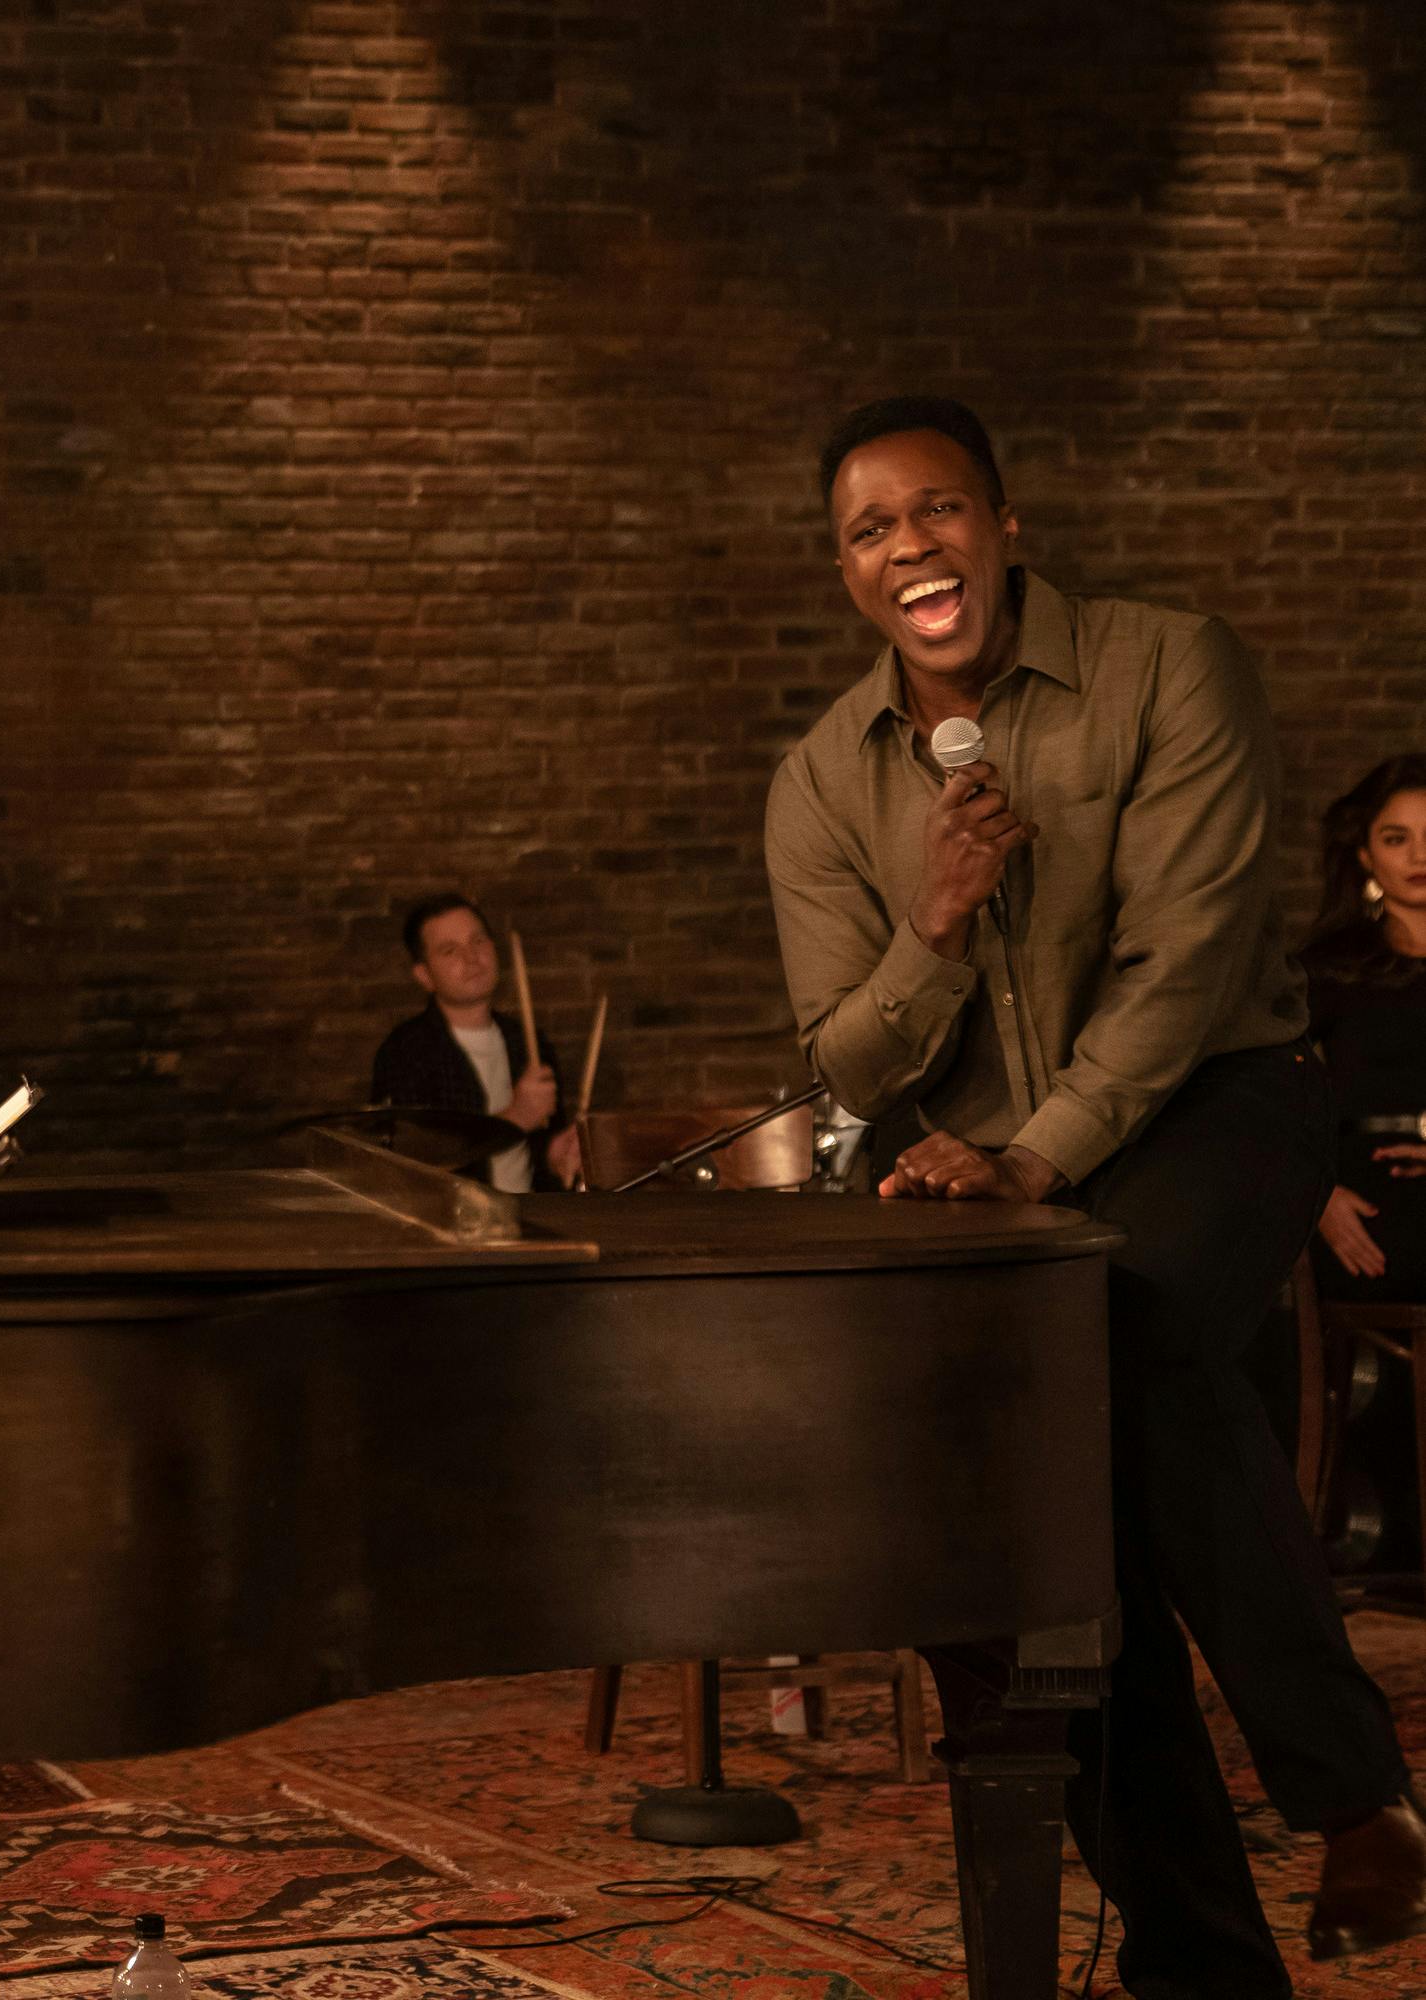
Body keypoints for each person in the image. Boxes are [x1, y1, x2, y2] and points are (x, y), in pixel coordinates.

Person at [764, 396, 1420, 1995]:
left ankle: (1350, 1796)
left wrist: (1040, 1153)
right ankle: (1203, 1959)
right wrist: (928, 925)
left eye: (934, 511)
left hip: (1217, 1104)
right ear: (844, 573)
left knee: (1112, 1322)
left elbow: (1184, 963)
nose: (906, 545)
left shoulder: (1166, 663)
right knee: (1018, 1537)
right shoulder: (818, 781)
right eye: (868, 529)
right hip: (994, 1169)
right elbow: (843, 1065)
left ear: (1001, 526)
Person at [1305, 755, 1426, 1301]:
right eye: (1397, 838)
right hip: (1362, 1190)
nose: (1420, 855)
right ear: (1365, 854)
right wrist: (1317, 1196)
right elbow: (1267, 1098)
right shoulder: (1327, 968)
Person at [369, 894, 582, 1190]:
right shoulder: (405, 1052)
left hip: (531, 1219)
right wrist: (513, 1119)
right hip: (454, 1226)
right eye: (450, 950)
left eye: (478, 941)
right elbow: (410, 1162)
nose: (471, 958)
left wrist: (555, 1154)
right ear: (424, 975)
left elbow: (536, 1149)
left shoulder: (528, 1041)